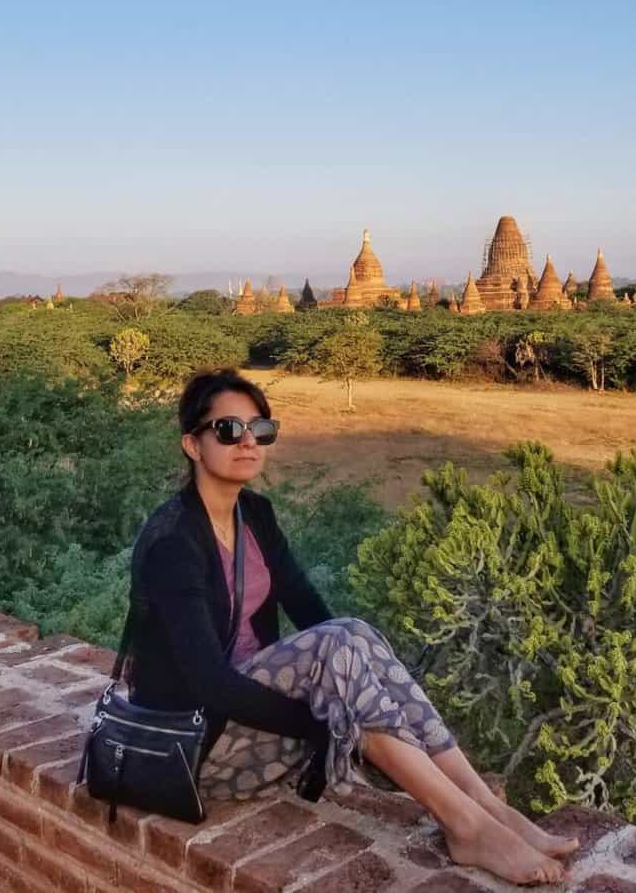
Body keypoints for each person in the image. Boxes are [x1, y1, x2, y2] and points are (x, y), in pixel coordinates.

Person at [125, 368, 576, 886]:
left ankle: (482, 806)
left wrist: (351, 697)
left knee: (351, 632)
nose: (248, 442)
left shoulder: (255, 515)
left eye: (261, 429)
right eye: (228, 430)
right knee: (337, 650)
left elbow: (314, 614)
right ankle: (465, 824)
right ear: (192, 444)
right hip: (193, 746)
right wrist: (327, 721)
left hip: (247, 721)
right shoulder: (173, 543)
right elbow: (209, 683)